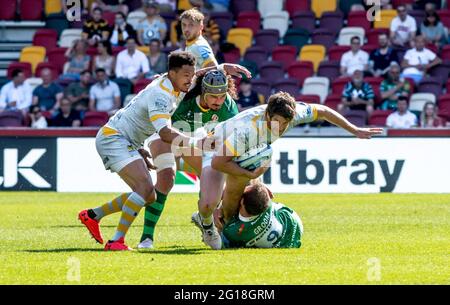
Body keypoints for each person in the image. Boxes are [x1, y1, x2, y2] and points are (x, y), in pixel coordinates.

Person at [77, 52, 231, 251]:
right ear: (172, 73)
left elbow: (198, 75)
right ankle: (116, 241)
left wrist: (222, 68)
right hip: (114, 139)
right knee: (144, 189)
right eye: (186, 75)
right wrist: (198, 143)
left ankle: (92, 215)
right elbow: (165, 134)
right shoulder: (161, 95)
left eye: (192, 74)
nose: (191, 79)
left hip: (127, 140)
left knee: (149, 195)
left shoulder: (176, 84)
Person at [191, 92, 383, 249]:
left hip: (237, 152)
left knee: (252, 194)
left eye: (285, 124)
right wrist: (250, 176)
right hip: (212, 150)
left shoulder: (292, 113)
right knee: (215, 200)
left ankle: (223, 224)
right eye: (277, 122)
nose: (281, 128)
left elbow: (322, 111)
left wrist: (354, 130)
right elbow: (219, 163)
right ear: (267, 114)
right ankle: (214, 226)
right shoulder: (248, 130)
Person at [137, 69, 241, 250]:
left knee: (210, 178)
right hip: (162, 134)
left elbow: (237, 136)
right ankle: (146, 238)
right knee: (166, 178)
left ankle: (205, 221)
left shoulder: (227, 106)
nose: (218, 101)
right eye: (213, 96)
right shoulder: (184, 96)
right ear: (202, 92)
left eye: (222, 96)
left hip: (191, 136)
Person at [215, 182, 303, 249]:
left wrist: (216, 205)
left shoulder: (232, 231)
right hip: (293, 224)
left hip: (290, 230)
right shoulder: (263, 203)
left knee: (222, 237)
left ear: (242, 201)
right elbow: (259, 193)